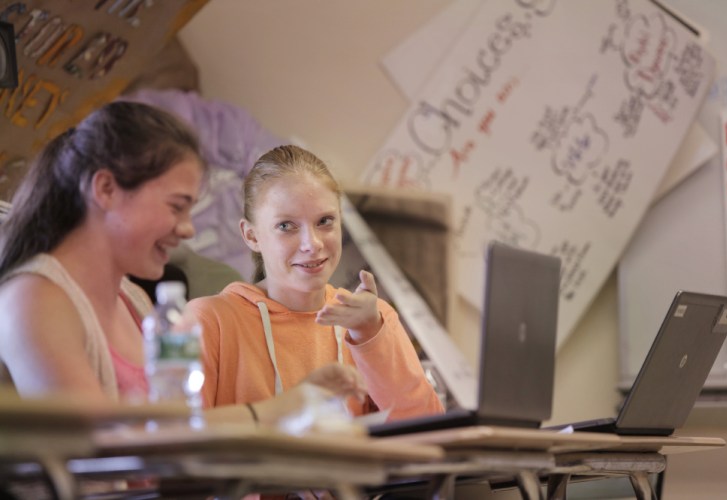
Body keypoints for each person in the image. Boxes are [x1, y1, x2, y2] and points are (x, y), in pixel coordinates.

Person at [0, 102, 367, 426]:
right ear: (106, 190)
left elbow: (176, 431)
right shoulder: (34, 298)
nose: (188, 228)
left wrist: (294, 407)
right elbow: (100, 453)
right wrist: (277, 410)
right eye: (176, 207)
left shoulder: (135, 302)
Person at [187, 144, 444, 421]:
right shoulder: (207, 321)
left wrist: (371, 336)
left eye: (325, 221)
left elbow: (428, 430)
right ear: (251, 236)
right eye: (286, 226)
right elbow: (176, 438)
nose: (313, 244)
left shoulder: (371, 318)